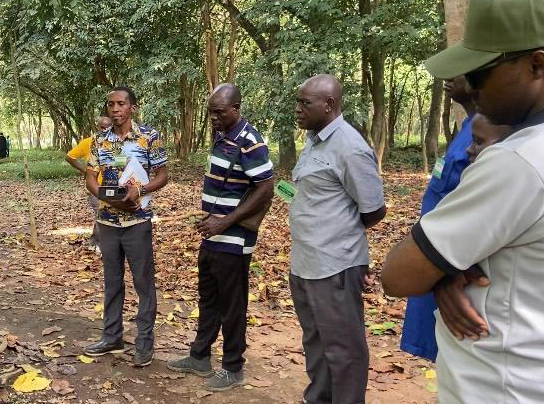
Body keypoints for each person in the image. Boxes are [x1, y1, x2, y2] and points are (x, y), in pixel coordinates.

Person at [381, 0, 544, 404]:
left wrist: (438, 272)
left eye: (482, 71)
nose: (470, 86)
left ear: (537, 63)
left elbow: (398, 274)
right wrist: (446, 270)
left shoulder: (518, 161)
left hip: (499, 387)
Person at [167, 84, 275, 391]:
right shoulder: (222, 135)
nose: (213, 117)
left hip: (234, 240)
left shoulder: (250, 141)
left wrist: (225, 221)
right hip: (212, 235)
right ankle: (199, 356)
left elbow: (266, 188)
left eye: (219, 112)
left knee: (232, 305)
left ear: (236, 109)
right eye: (210, 112)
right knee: (209, 299)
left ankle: (233, 367)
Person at [288, 74, 387, 404]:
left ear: (329, 105)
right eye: (298, 102)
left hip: (335, 266)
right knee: (315, 342)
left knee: (344, 349)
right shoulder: (315, 140)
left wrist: (337, 234)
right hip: (306, 262)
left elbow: (373, 210)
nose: (298, 109)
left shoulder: (350, 147)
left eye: (305, 103)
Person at [83, 86, 169, 368]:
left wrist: (140, 191)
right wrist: (110, 199)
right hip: (107, 221)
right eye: (111, 104)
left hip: (137, 221)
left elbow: (162, 176)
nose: (115, 109)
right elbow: (90, 179)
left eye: (121, 104)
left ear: (132, 107)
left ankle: (144, 342)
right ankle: (112, 337)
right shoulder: (99, 139)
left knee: (143, 282)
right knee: (112, 281)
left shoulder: (149, 137)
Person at [400, 76, 477, 362]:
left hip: (458, 271)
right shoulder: (468, 128)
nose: (448, 77)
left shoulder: (496, 131)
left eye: (459, 69)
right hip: (436, 261)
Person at [66, 116, 113, 253]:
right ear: (97, 127)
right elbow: (70, 157)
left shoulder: (115, 142)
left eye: (108, 127)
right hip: (94, 186)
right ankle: (98, 244)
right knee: (101, 213)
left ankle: (96, 242)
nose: (105, 130)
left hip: (111, 185)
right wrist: (85, 171)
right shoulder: (88, 142)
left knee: (106, 213)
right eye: (102, 127)